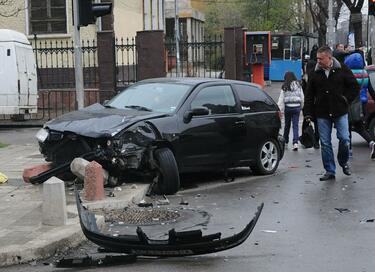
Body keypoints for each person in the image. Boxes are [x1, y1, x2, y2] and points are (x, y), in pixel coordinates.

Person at [304, 46, 359, 181]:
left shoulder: (342, 69)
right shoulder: (314, 73)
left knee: (345, 138)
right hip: (322, 112)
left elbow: (354, 86)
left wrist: (345, 99)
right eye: (317, 58)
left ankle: (343, 162)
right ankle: (330, 170)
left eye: (320, 58)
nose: (318, 61)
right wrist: (308, 113)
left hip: (340, 110)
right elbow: (309, 95)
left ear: (329, 57)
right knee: (325, 143)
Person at [344, 52, 375, 159]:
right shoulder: (364, 73)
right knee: (360, 126)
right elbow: (370, 89)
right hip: (362, 104)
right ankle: (372, 142)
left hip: (350, 103)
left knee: (347, 127)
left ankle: (349, 150)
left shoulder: (348, 73)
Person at [277, 71, 304, 151]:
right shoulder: (299, 85)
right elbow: (302, 97)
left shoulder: (284, 86)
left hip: (288, 108)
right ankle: (295, 143)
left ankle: (285, 141)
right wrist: (302, 107)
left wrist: (280, 110)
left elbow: (281, 99)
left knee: (287, 125)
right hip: (297, 108)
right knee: (295, 125)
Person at [301, 59, 320, 149]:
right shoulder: (318, 76)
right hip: (316, 104)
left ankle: (307, 139)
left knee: (306, 123)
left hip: (307, 104)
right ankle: (316, 141)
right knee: (317, 124)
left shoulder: (305, 78)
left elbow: (303, 92)